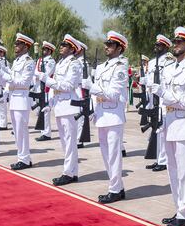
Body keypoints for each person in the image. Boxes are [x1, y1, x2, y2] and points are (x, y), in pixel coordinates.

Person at [148, 27, 185, 226]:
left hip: (184, 125)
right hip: (170, 123)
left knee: (184, 172)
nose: (175, 45)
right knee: (172, 171)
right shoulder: (169, 68)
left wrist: (163, 93)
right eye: (175, 42)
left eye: (180, 43)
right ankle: (180, 208)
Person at [84, 31, 130, 203]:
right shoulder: (102, 67)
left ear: (119, 48)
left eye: (110, 45)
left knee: (113, 154)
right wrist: (94, 110)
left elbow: (114, 93)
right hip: (102, 114)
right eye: (106, 44)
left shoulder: (121, 67)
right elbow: (97, 94)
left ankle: (115, 189)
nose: (106, 47)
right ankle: (117, 186)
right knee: (105, 154)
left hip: (113, 115)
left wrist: (92, 87)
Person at [38, 34, 83, 185]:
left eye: (64, 45)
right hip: (60, 106)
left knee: (69, 142)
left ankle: (68, 173)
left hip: (69, 106)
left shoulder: (74, 64)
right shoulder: (60, 63)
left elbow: (67, 86)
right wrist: (49, 104)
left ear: (72, 49)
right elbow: (55, 86)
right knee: (65, 142)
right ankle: (72, 171)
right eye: (61, 44)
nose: (61, 47)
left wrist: (46, 79)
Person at [142, 35, 175, 171]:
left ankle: (164, 160)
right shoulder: (152, 61)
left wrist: (150, 83)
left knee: (162, 130)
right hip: (152, 97)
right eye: (156, 45)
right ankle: (158, 158)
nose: (157, 47)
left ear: (166, 47)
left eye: (160, 45)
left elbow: (165, 78)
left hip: (162, 97)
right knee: (156, 128)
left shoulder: (169, 60)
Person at [4, 33, 35, 170]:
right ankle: (21, 157)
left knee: (21, 131)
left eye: (18, 44)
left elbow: (25, 82)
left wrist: (7, 78)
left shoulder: (28, 61)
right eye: (15, 44)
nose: (15, 46)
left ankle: (25, 159)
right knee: (17, 131)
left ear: (25, 46)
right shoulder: (16, 61)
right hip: (14, 99)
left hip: (22, 100)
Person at [34, 42, 57, 141]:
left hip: (47, 88)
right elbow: (36, 74)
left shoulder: (51, 61)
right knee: (40, 110)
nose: (43, 51)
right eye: (43, 49)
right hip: (39, 87)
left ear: (49, 51)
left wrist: (37, 74)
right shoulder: (39, 60)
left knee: (46, 110)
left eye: (45, 50)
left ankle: (47, 133)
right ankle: (42, 131)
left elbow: (46, 75)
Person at [0, 45, 10, 131]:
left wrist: (7, 88)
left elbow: (8, 75)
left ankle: (3, 124)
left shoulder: (5, 62)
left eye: (1, 52)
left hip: (3, 86)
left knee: (2, 106)